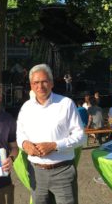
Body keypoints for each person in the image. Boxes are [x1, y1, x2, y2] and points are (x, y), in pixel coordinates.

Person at [17, 63, 85, 204]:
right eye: (36, 82)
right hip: (36, 172)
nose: (40, 86)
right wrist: (24, 143)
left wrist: (55, 145)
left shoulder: (66, 104)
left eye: (44, 81)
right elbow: (20, 134)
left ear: (52, 83)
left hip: (63, 171)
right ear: (31, 85)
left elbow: (80, 137)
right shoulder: (26, 107)